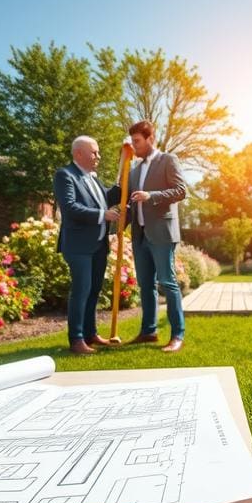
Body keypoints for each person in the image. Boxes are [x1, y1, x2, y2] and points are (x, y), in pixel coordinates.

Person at [54, 136, 121, 354]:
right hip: (78, 245)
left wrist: (124, 183)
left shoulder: (93, 179)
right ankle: (76, 340)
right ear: (79, 153)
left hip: (99, 245)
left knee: (93, 291)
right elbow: (71, 208)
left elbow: (105, 199)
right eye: (94, 152)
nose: (98, 156)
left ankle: (91, 334)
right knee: (81, 290)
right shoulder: (65, 175)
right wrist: (104, 215)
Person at [126, 120, 187, 352]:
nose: (135, 146)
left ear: (151, 138)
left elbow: (181, 191)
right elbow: (129, 200)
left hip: (162, 232)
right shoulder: (134, 169)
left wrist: (151, 195)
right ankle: (148, 331)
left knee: (167, 283)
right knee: (145, 285)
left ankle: (177, 335)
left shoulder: (168, 161)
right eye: (132, 142)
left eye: (138, 141)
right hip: (140, 235)